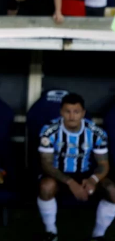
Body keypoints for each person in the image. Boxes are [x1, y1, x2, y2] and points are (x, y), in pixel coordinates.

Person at [38, 93, 115, 241]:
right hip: (58, 174)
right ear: (61, 112)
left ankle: (98, 236)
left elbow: (103, 165)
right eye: (67, 111)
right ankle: (51, 233)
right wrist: (71, 183)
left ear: (83, 113)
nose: (72, 116)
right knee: (46, 186)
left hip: (86, 174)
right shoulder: (49, 130)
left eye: (76, 112)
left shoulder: (96, 132)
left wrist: (92, 180)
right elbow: (46, 164)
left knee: (113, 190)